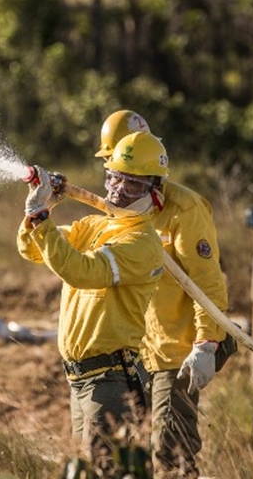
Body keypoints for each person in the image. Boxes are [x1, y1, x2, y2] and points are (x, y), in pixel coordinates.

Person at [17, 131, 166, 474]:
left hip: (111, 382)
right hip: (80, 380)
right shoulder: (95, 225)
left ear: (154, 194)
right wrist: (40, 210)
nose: (118, 189)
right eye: (114, 177)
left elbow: (82, 271)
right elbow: (32, 249)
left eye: (133, 184)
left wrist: (41, 217)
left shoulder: (142, 243)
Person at [95, 110, 230, 478]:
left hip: (178, 351)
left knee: (171, 454)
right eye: (111, 169)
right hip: (138, 349)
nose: (119, 184)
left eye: (130, 176)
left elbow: (208, 284)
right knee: (130, 450)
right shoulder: (119, 208)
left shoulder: (184, 209)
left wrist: (205, 345)